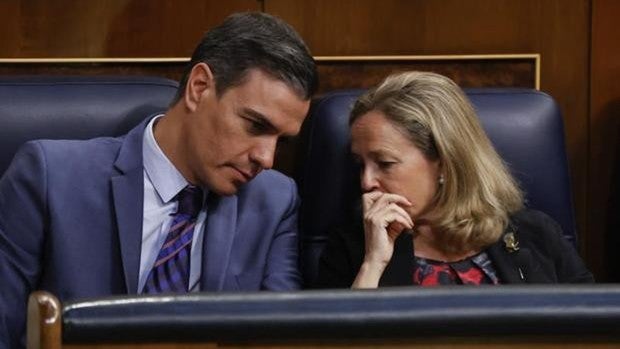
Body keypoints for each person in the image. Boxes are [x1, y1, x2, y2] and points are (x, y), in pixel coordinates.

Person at [0, 12, 318, 348]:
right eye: (255, 125)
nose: (266, 159)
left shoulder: (274, 200)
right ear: (199, 88)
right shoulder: (50, 177)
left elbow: (280, 338)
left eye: (282, 142)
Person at [316, 71, 593, 289]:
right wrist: (373, 263)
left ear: (446, 163)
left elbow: (592, 330)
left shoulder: (537, 235)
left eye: (385, 164)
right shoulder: (354, 246)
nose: (366, 182)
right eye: (360, 164)